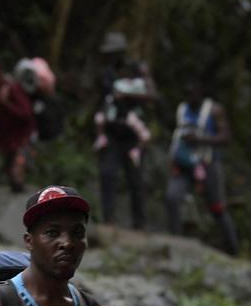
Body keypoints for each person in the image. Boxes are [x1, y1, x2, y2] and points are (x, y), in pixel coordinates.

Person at [164, 79, 239, 255]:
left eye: (193, 94)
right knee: (172, 197)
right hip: (183, 164)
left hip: (208, 164)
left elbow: (226, 137)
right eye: (187, 94)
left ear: (201, 93)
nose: (190, 97)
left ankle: (233, 248)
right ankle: (175, 242)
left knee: (217, 207)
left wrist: (200, 140)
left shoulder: (214, 110)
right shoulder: (182, 109)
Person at [95, 69, 153, 230]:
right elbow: (100, 120)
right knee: (107, 174)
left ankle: (139, 223)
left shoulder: (137, 103)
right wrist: (101, 137)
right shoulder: (110, 100)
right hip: (113, 140)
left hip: (133, 143)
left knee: (136, 181)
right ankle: (108, 218)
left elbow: (144, 135)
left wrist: (137, 150)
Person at [0, 52, 35, 192]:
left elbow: (26, 115)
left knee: (17, 174)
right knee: (11, 177)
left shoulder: (12, 88)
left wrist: (6, 104)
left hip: (21, 140)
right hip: (6, 142)